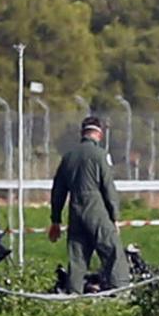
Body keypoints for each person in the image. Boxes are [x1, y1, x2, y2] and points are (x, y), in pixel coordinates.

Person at [48, 116, 129, 293]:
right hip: (96, 208)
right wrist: (114, 216)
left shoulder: (68, 157)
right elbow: (108, 187)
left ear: (82, 132)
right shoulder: (100, 155)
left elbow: (58, 191)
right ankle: (121, 292)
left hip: (75, 210)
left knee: (77, 258)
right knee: (112, 252)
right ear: (99, 134)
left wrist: (55, 220)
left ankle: (73, 296)